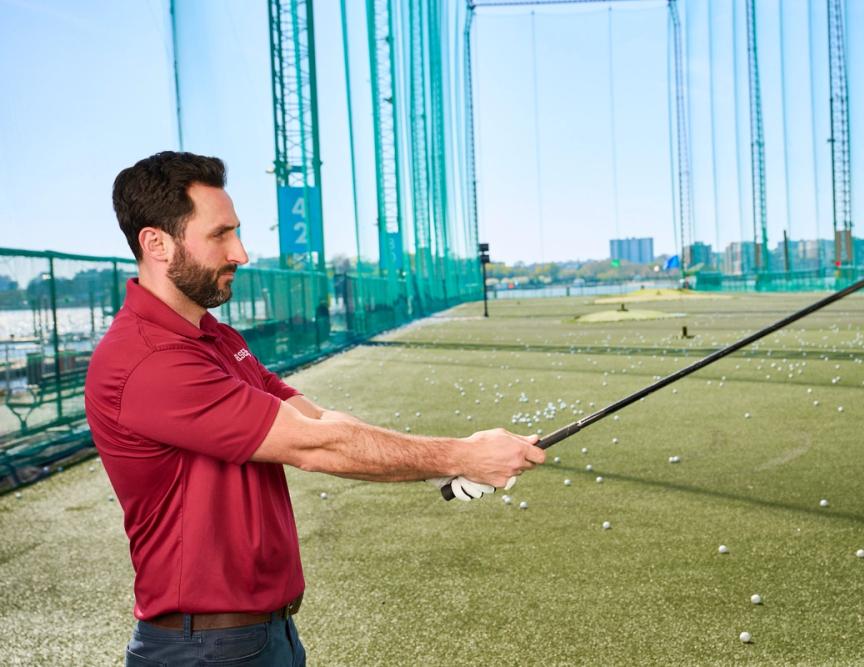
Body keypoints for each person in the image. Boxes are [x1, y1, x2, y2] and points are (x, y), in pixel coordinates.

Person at [84, 151, 544, 666]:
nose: (241, 251)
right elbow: (317, 444)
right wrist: (464, 455)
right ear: (156, 243)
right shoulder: (148, 360)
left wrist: (457, 458)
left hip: (257, 635)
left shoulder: (214, 337)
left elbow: (317, 421)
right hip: (204, 647)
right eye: (220, 235)